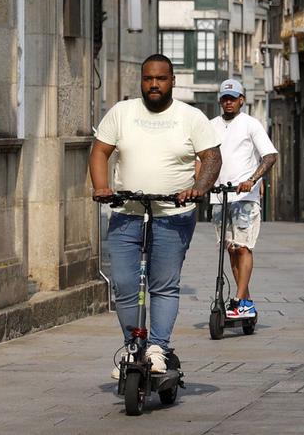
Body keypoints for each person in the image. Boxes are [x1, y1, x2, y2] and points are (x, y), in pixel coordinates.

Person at [89, 54, 222, 375]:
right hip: (125, 211)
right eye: (148, 78)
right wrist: (102, 186)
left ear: (172, 81)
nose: (153, 84)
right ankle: (133, 347)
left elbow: (211, 158)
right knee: (123, 283)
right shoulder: (122, 113)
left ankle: (158, 348)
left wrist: (198, 188)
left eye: (160, 79)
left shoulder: (191, 117)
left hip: (173, 215)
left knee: (163, 285)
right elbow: (100, 151)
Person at [208, 79, 278, 319]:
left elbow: (269, 156)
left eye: (233, 98)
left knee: (243, 247)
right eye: (225, 98)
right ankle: (244, 301)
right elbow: (203, 159)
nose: (228, 102)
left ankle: (238, 299)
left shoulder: (250, 124)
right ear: (220, 101)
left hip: (245, 197)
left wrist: (252, 179)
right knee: (230, 248)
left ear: (241, 100)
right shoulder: (211, 125)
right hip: (219, 197)